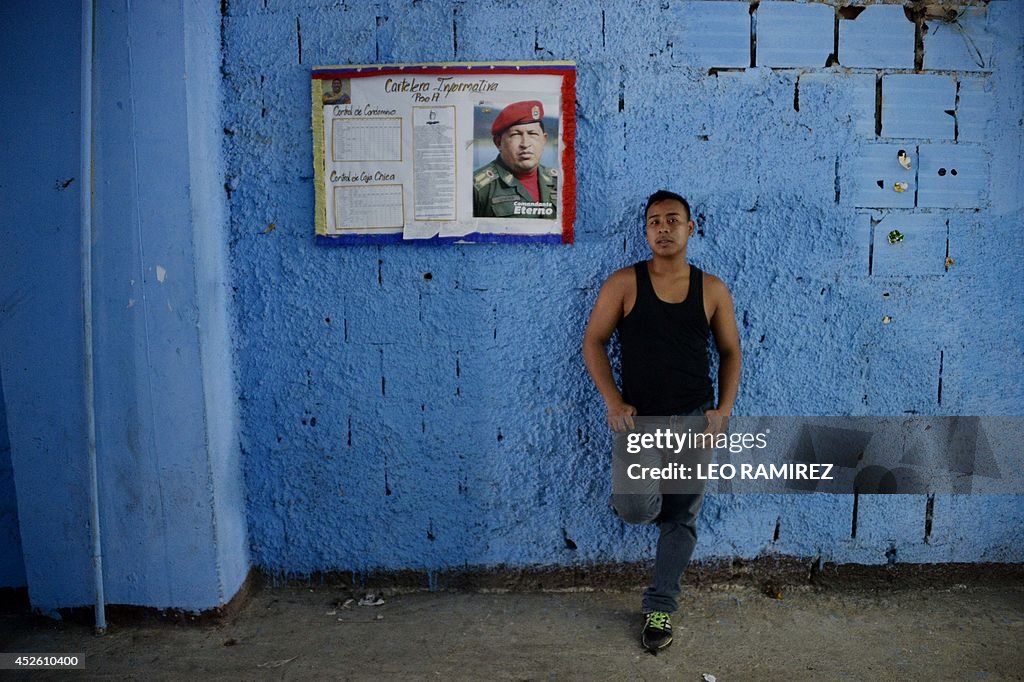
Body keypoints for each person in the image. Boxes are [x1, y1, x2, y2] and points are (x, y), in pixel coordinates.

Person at [582, 190, 741, 652]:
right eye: (654, 221)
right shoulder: (624, 284)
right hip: (638, 424)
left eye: (674, 220)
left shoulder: (711, 289)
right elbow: (593, 341)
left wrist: (723, 411)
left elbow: (730, 352)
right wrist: (613, 401)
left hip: (694, 421)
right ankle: (646, 501)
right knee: (636, 509)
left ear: (692, 228)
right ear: (645, 231)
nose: (664, 228)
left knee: (680, 519)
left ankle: (660, 608)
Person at [473, 100, 557, 219]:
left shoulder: (559, 182)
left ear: (544, 140)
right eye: (516, 134)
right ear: (498, 143)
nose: (525, 144)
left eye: (532, 134)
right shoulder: (478, 188)